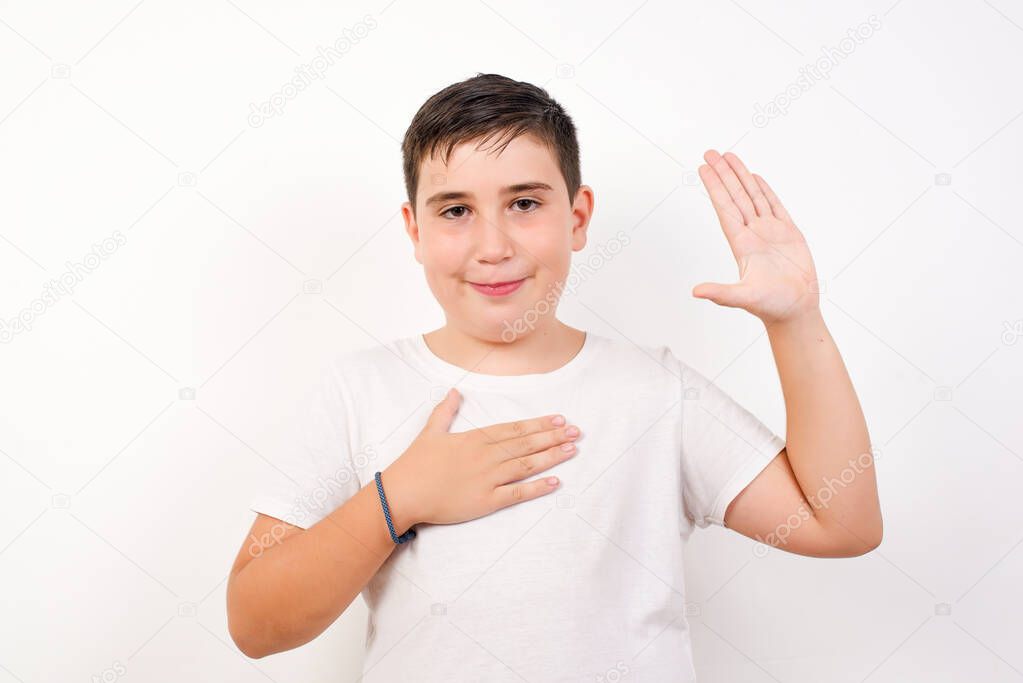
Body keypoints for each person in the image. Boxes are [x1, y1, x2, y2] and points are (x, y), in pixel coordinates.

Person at [225, 72, 883, 681]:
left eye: (524, 203)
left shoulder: (653, 391)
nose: (493, 245)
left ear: (576, 216)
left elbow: (842, 524)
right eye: (455, 210)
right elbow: (255, 625)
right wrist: (396, 498)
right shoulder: (359, 390)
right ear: (415, 230)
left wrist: (796, 322)